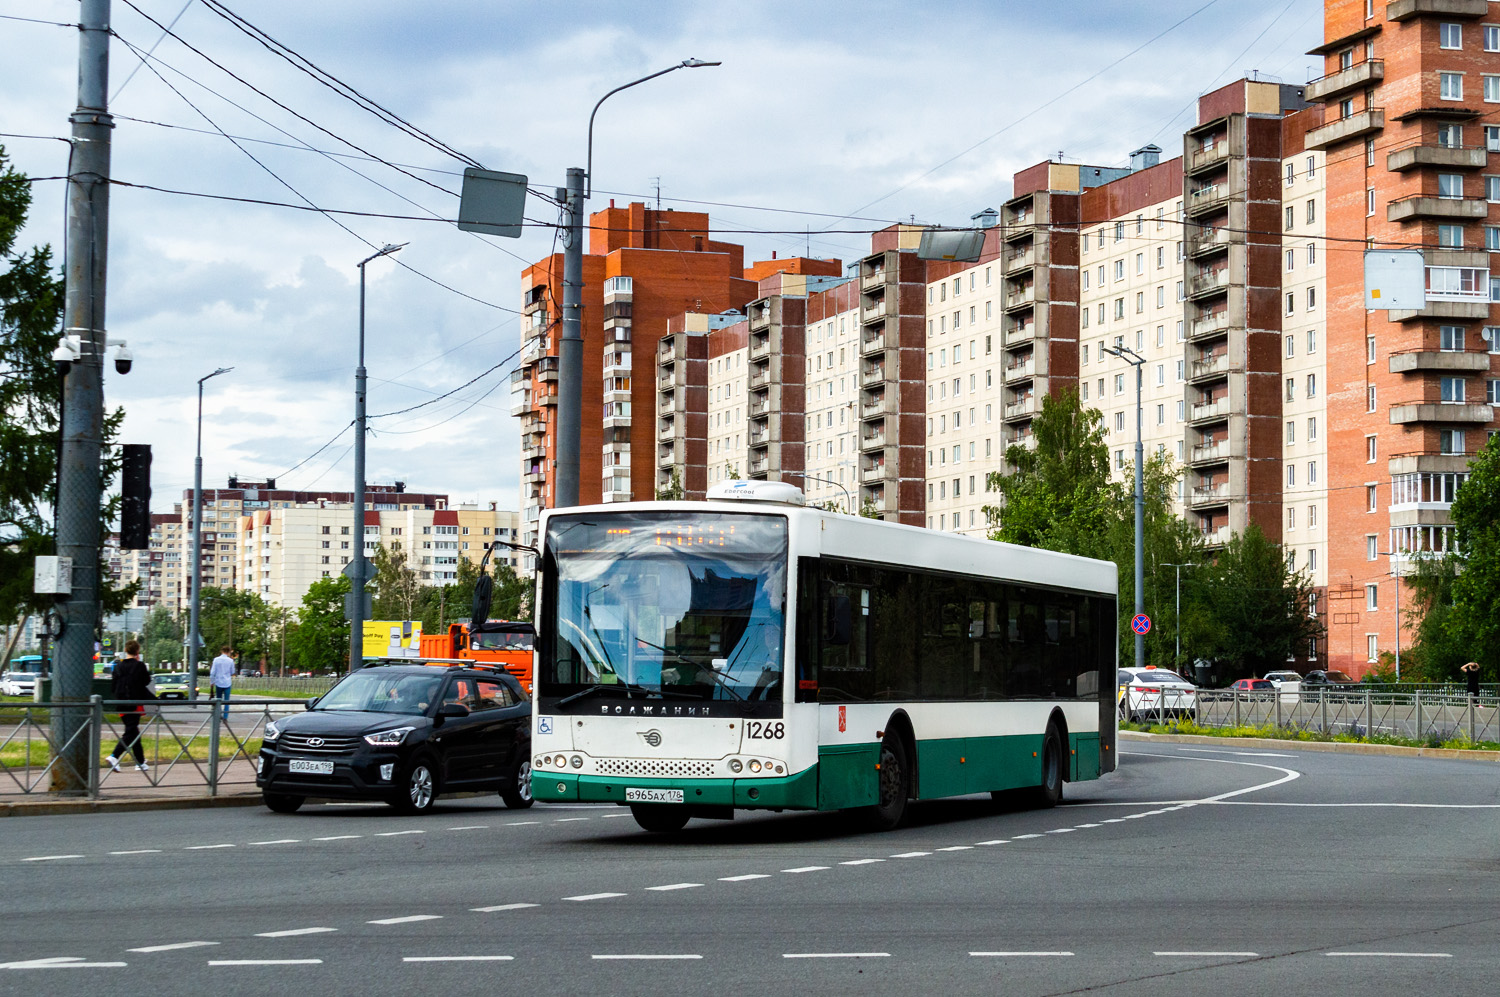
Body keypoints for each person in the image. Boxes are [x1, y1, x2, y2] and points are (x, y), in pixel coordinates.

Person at [105, 641, 155, 773]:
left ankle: (140, 762)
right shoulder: (139, 666)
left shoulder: (118, 666)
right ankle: (114, 756)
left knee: (133, 731)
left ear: (125, 650)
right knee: (131, 731)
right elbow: (146, 681)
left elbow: (113, 686)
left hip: (121, 703)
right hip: (134, 702)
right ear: (137, 651)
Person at [209, 645, 236, 722]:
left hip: (218, 682)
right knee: (227, 701)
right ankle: (225, 717)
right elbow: (232, 672)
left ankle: (218, 715)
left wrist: (212, 682)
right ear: (229, 652)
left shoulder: (216, 660)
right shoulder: (230, 661)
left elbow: (212, 673)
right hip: (227, 682)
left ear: (222, 651)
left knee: (218, 700)